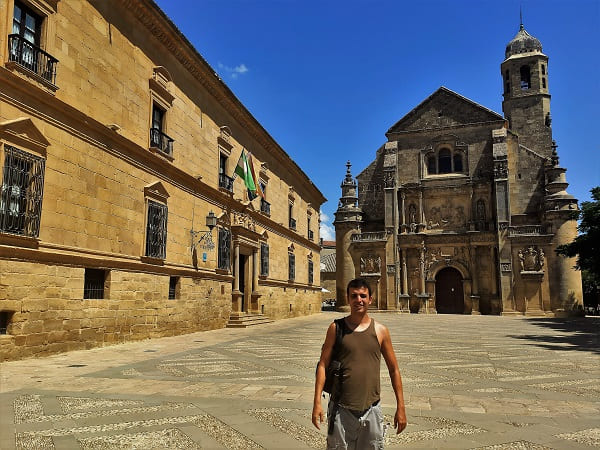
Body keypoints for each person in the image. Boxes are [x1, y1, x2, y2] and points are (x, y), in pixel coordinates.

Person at [312, 278, 407, 449]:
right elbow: (322, 365)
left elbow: (394, 370)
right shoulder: (336, 328)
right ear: (348, 298)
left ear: (370, 299)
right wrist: (317, 403)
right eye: (354, 296)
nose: (359, 300)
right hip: (340, 409)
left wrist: (401, 406)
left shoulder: (381, 331)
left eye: (363, 296)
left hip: (372, 409)